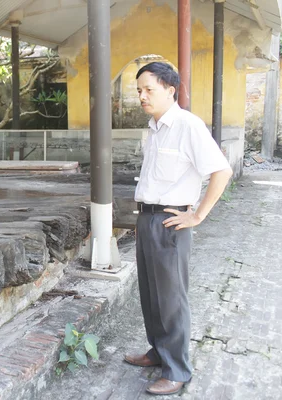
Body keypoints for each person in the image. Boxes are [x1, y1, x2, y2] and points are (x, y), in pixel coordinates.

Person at [124, 62, 233, 395]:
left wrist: (197, 215)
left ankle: (177, 370)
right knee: (151, 295)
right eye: (139, 90)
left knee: (171, 299)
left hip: (171, 222)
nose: (142, 96)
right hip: (147, 219)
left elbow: (221, 171)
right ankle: (158, 352)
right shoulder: (156, 127)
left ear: (170, 90)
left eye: (149, 90)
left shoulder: (187, 125)